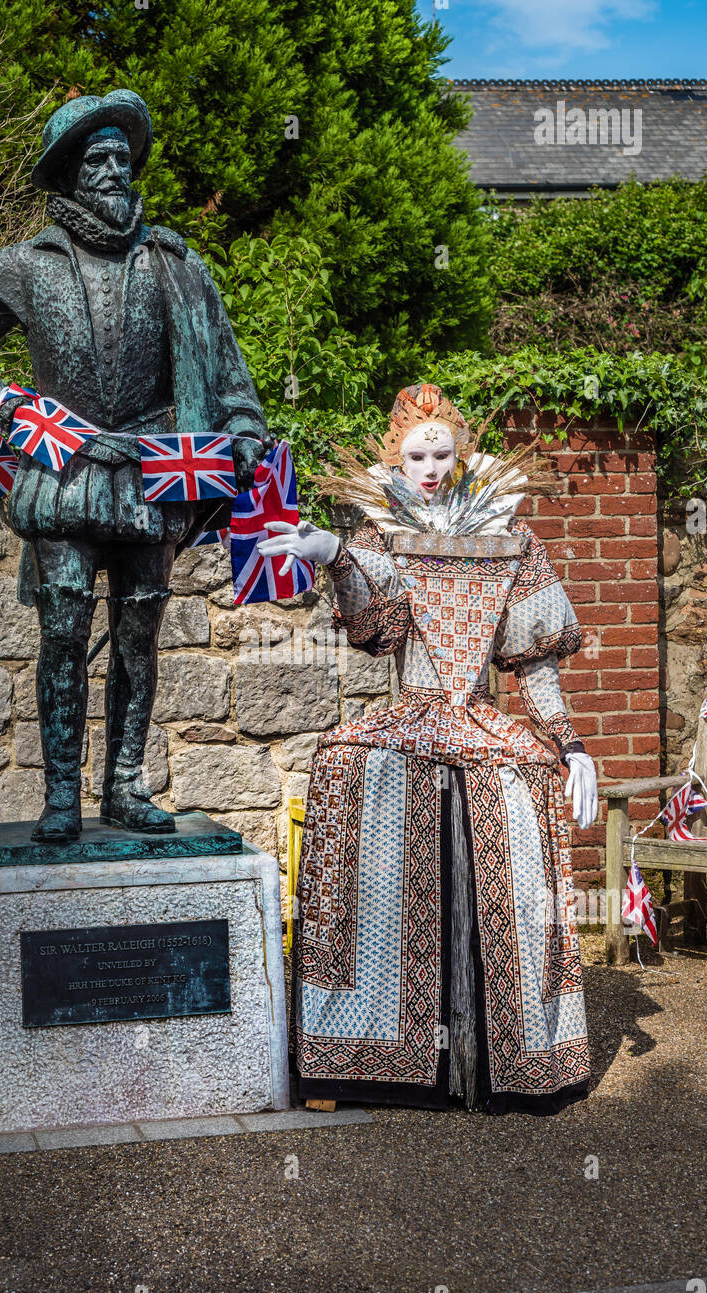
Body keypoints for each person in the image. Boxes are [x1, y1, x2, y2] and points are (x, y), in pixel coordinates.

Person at [0, 90, 268, 840]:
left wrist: (244, 432)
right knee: (60, 633)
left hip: (156, 474)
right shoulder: (23, 265)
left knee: (139, 638)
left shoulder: (176, 264)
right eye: (96, 158)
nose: (114, 168)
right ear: (68, 175)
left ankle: (123, 785)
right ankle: (60, 796)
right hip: (62, 472)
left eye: (122, 155)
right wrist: (12, 407)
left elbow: (227, 374)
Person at [258, 384, 597, 1114]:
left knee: (522, 788)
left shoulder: (510, 536)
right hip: (407, 717)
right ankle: (365, 1055)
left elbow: (534, 658)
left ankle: (515, 1057)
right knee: (345, 765)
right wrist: (335, 555)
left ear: (462, 452)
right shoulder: (382, 534)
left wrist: (570, 745)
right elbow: (375, 620)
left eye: (442, 452)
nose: (431, 465)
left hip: (480, 719)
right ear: (395, 457)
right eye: (416, 453)